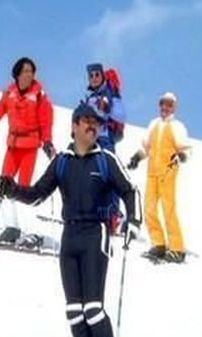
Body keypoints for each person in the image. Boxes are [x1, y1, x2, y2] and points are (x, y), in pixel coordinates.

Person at [0, 102, 141, 337]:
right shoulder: (62, 161)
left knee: (93, 308)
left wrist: (133, 222)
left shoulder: (106, 159)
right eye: (87, 121)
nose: (93, 127)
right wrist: (11, 189)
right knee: (75, 309)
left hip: (95, 234)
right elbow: (37, 194)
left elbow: (129, 190)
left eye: (96, 123)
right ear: (74, 125)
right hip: (70, 236)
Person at [0, 57, 55, 245]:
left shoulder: (40, 94)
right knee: (4, 185)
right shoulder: (10, 92)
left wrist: (47, 142)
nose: (29, 74)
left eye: (31, 71)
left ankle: (33, 233)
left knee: (24, 188)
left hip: (30, 146)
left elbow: (46, 120)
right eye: (25, 71)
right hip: (13, 146)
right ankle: (12, 227)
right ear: (17, 73)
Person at [127, 92, 191, 263]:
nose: (165, 108)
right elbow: (146, 148)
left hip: (168, 172)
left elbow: (185, 148)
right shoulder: (153, 125)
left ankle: (177, 248)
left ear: (174, 108)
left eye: (169, 105)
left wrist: (182, 156)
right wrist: (137, 158)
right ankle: (159, 244)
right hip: (152, 174)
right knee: (149, 208)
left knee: (168, 209)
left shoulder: (177, 127)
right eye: (163, 104)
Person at [84, 63, 126, 233]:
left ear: (102, 77)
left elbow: (121, 115)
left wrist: (108, 107)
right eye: (91, 76)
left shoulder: (111, 95)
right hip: (89, 141)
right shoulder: (91, 97)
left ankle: (114, 216)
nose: (93, 78)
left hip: (105, 140)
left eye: (96, 75)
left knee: (109, 177)